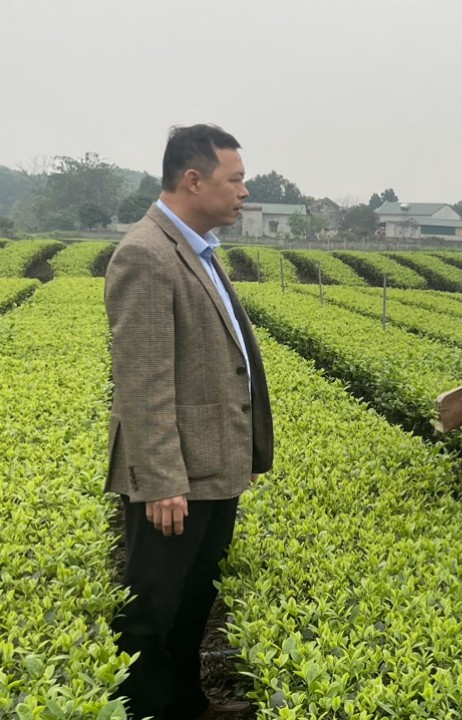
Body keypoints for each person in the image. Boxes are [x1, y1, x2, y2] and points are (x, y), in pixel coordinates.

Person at [105, 124, 274, 720]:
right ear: (193, 179)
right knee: (153, 608)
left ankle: (186, 703)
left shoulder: (196, 249)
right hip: (176, 478)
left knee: (194, 600)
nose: (244, 192)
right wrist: (162, 481)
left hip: (212, 465)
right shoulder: (146, 255)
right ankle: (146, 710)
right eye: (236, 180)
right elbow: (143, 381)